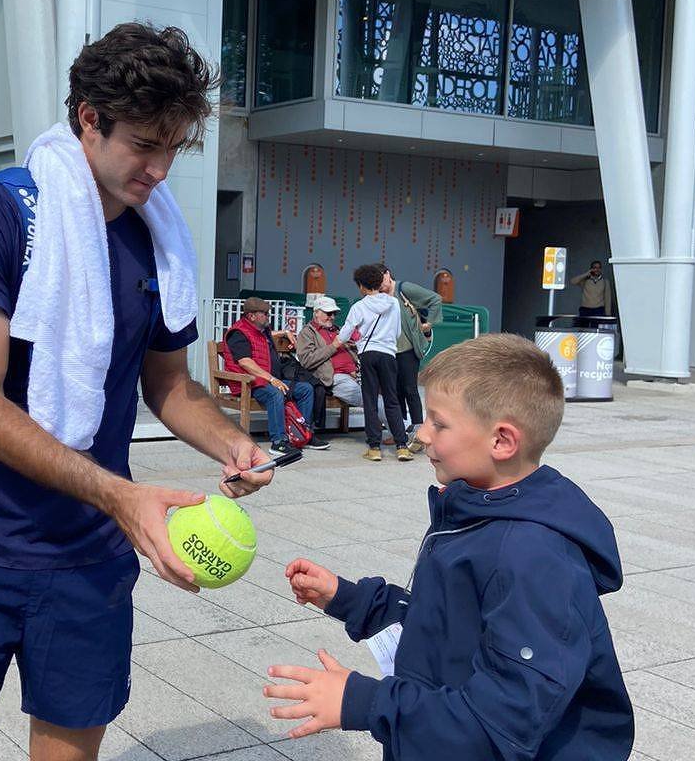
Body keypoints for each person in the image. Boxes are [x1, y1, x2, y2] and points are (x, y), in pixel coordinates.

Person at [0, 23, 277, 761]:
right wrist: (124, 498)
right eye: (144, 145)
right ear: (89, 120)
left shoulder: (158, 238)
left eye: (173, 148)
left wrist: (233, 441)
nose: (159, 171)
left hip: (86, 561)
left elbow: (169, 383)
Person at [263, 334, 633, 760]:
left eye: (439, 423)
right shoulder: (473, 510)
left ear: (501, 441)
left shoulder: (532, 557)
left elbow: (499, 725)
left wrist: (368, 702)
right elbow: (444, 624)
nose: (421, 433)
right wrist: (351, 600)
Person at [221, 296, 330, 455]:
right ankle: (279, 441)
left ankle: (303, 434)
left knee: (306, 389)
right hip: (248, 383)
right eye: (265, 313)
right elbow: (245, 362)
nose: (268, 316)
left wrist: (285, 332)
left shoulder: (260, 329)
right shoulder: (238, 333)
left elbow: (267, 335)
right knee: (275, 393)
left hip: (266, 380)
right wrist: (272, 379)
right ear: (252, 316)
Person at [331, 265, 412, 462]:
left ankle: (374, 447)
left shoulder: (359, 306)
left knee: (370, 400)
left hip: (368, 354)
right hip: (388, 354)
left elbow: (346, 332)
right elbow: (398, 332)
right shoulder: (393, 303)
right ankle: (402, 446)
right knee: (392, 399)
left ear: (361, 286)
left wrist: (337, 343)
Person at [381, 266, 443, 453]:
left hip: (407, 348)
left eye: (380, 280)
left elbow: (435, 299)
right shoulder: (379, 296)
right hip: (390, 349)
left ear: (387, 274)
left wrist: (428, 324)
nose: (379, 286)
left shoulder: (403, 289)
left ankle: (418, 431)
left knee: (409, 389)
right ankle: (399, 432)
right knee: (395, 390)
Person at [296, 298, 361, 432]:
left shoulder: (337, 330)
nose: (332, 317)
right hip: (334, 377)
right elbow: (307, 360)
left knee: (388, 388)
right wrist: (334, 346)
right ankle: (402, 431)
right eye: (328, 313)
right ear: (316, 313)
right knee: (369, 397)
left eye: (334, 314)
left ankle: (397, 430)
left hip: (357, 373)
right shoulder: (307, 333)